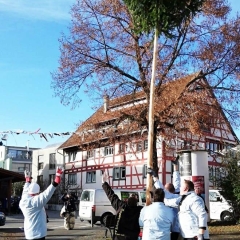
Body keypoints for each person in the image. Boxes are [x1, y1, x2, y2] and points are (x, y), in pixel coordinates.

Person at [19, 167, 64, 240]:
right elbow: (47, 194)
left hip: (29, 233)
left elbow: (25, 191)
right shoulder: (36, 202)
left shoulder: (24, 200)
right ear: (38, 192)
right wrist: (56, 179)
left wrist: (27, 180)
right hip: (38, 234)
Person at [102, 171, 143, 240]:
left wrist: (104, 183)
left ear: (127, 201)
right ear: (136, 203)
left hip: (119, 237)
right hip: (132, 237)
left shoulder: (122, 206)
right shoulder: (139, 210)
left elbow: (111, 196)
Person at [147, 157, 181, 240]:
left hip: (171, 227)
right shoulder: (177, 193)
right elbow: (177, 180)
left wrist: (154, 174)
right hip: (178, 227)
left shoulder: (168, 198)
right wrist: (175, 166)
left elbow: (159, 186)